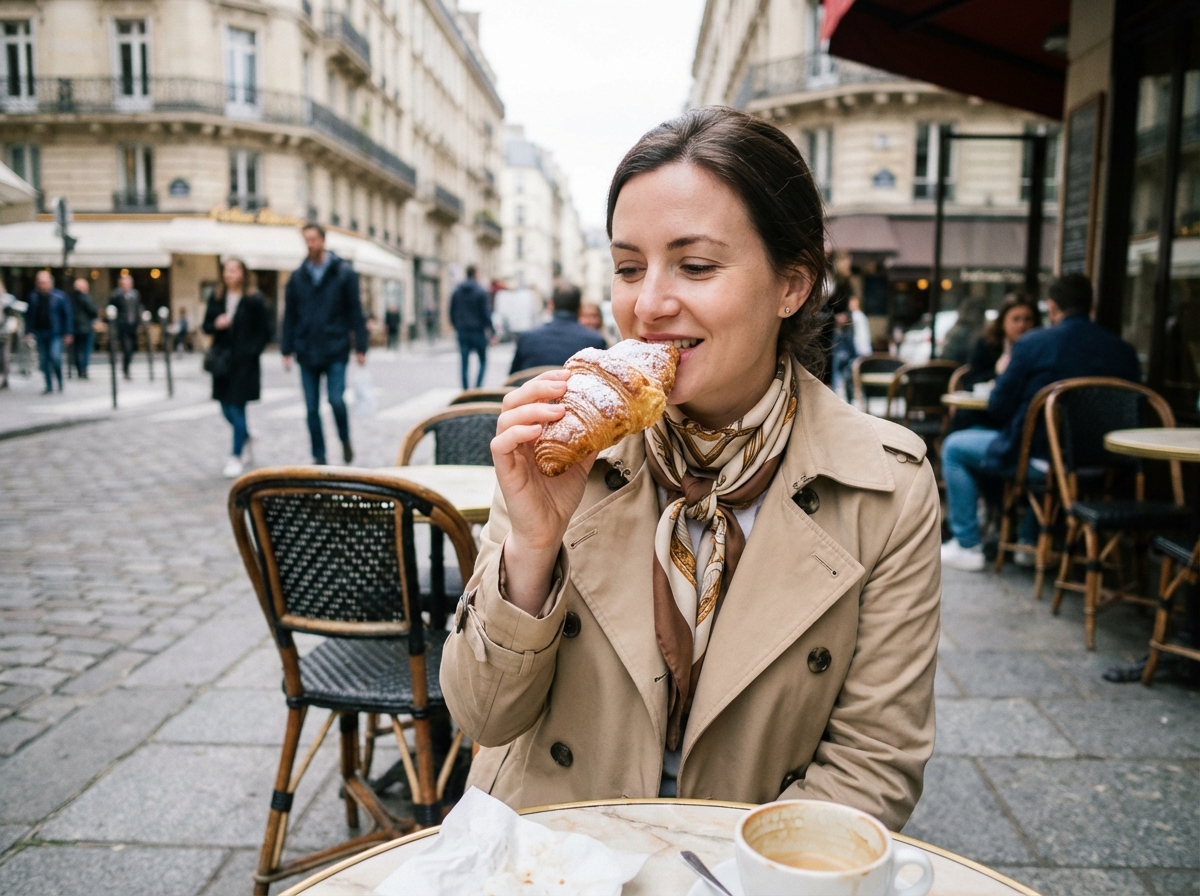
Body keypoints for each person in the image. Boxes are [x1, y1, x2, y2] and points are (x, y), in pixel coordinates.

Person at [442, 107, 941, 831]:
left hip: (745, 868)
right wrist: (531, 548)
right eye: (627, 268)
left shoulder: (888, 486)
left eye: (696, 266)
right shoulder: (569, 442)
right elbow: (484, 714)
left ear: (791, 285)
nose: (647, 305)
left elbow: (874, 762)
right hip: (551, 856)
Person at [940, 274, 1141, 571]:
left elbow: (998, 406)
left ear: (1052, 307)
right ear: (1091, 305)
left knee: (956, 447)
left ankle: (968, 544)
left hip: (1041, 460)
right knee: (1031, 446)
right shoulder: (1124, 351)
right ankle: (1028, 539)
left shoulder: (1034, 343)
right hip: (1108, 467)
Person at [281, 223, 368, 465]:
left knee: (336, 400)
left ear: (323, 240)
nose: (310, 244)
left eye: (314, 239)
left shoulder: (342, 272)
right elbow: (289, 315)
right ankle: (318, 455)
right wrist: (286, 348)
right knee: (311, 409)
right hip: (306, 350)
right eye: (306, 240)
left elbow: (355, 312)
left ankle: (344, 440)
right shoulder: (298, 277)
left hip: (335, 347)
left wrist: (361, 346)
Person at [203, 258, 273, 478]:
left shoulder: (254, 299)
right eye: (227, 270)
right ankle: (245, 434)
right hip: (222, 361)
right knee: (225, 407)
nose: (229, 274)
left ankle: (235, 456)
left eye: (234, 270)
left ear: (243, 273)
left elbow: (266, 329)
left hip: (244, 362)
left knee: (237, 407)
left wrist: (252, 351)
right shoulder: (217, 297)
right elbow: (205, 325)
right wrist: (216, 323)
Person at [949, 294, 1040, 433]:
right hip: (985, 415)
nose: (1022, 325)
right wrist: (996, 374)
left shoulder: (1039, 348)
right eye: (1016, 319)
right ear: (1003, 322)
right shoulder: (987, 345)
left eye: (1028, 319)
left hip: (1021, 420)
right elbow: (970, 382)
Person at [509, 285, 607, 374]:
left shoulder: (527, 337)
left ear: (551, 305)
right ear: (579, 307)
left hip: (531, 392)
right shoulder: (596, 340)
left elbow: (513, 376)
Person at [26, 271, 72, 394]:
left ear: (50, 282)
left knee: (55, 357)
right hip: (40, 332)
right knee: (44, 360)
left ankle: (60, 382)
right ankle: (49, 386)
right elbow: (30, 315)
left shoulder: (59, 296)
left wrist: (68, 332)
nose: (42, 285)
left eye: (44, 282)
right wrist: (28, 331)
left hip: (55, 332)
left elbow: (66, 315)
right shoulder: (34, 296)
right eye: (40, 282)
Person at [449, 265, 493, 389]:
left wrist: (457, 326)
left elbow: (451, 312)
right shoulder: (480, 291)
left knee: (464, 363)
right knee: (483, 361)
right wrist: (491, 330)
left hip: (462, 332)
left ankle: (465, 390)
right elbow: (486, 313)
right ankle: (477, 388)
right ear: (475, 274)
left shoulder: (457, 291)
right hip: (478, 332)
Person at [110, 274, 142, 380]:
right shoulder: (116, 294)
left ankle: (126, 367)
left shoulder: (135, 294)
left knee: (132, 349)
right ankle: (125, 369)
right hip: (122, 326)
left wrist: (141, 317)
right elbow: (111, 308)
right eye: (124, 283)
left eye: (128, 283)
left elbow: (138, 307)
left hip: (133, 325)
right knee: (127, 348)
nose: (126, 285)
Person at [68, 277, 98, 379]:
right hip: (85, 327)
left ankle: (79, 368)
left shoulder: (70, 298)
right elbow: (92, 310)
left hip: (74, 327)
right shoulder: (85, 297)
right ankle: (83, 369)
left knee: (77, 350)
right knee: (85, 350)